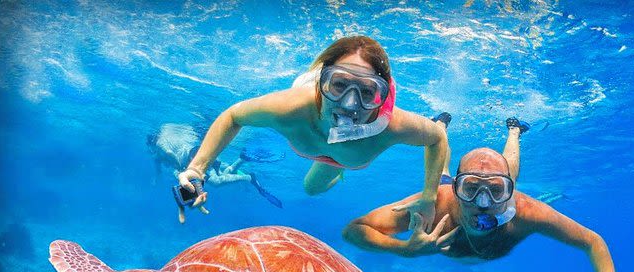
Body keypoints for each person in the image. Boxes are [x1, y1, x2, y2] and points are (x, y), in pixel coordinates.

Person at [343, 118, 634, 272]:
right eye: (470, 188)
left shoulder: (527, 212)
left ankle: (514, 132)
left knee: (509, 170)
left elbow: (593, 242)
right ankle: (439, 129)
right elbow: (353, 230)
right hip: (447, 186)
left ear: (510, 193)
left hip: (495, 190)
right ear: (457, 189)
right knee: (440, 175)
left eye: (496, 191)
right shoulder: (436, 203)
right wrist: (404, 250)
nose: (483, 203)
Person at [176, 35, 448, 225]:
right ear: (322, 83)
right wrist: (196, 169)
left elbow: (437, 139)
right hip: (336, 148)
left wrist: (429, 197)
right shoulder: (291, 109)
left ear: (380, 96)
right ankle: (339, 164)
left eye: (367, 91)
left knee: (313, 187)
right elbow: (233, 115)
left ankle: (340, 165)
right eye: (339, 85)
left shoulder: (392, 127)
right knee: (311, 189)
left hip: (343, 158)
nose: (350, 104)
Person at [147, 123, 282, 218]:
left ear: (152, 142)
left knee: (217, 182)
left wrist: (182, 169)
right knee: (221, 174)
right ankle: (242, 159)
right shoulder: (156, 155)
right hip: (196, 154)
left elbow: (170, 153)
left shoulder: (160, 144)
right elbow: (158, 169)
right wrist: (156, 179)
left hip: (193, 158)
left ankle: (249, 177)